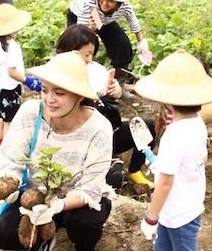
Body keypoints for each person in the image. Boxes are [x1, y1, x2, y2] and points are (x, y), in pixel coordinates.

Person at [0, 51, 113, 251]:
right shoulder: (30, 113)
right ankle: (43, 240)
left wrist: (55, 207)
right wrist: (9, 185)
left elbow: (92, 186)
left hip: (77, 200)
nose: (49, 99)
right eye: (45, 90)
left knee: (84, 222)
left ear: (78, 95)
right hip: (35, 196)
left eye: (59, 93)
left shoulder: (99, 128)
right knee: (3, 234)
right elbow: (11, 159)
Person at [122, 51, 212, 251]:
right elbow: (198, 161)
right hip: (183, 206)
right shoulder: (196, 125)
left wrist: (150, 217)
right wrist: (160, 163)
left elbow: (164, 184)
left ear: (167, 99)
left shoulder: (173, 135)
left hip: (177, 212)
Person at [55, 24, 156, 189]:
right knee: (114, 179)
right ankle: (106, 162)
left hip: (111, 132)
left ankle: (135, 170)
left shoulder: (96, 70)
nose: (89, 59)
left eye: (91, 54)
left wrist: (116, 91)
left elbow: (112, 91)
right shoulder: (58, 77)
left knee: (150, 127)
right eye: (85, 54)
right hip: (84, 143)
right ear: (70, 52)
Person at [67, 0, 151, 82]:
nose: (105, 3)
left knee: (121, 43)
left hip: (104, 18)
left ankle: (118, 81)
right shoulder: (88, 2)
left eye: (110, 0)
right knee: (75, 47)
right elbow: (81, 35)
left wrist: (141, 42)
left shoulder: (125, 6)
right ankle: (75, 79)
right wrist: (91, 30)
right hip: (80, 17)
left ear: (118, 3)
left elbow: (133, 22)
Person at [0, 3, 42, 154]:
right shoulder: (13, 47)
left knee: (1, 120)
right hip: (10, 90)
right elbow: (12, 72)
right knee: (9, 123)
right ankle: (6, 154)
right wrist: (29, 81)